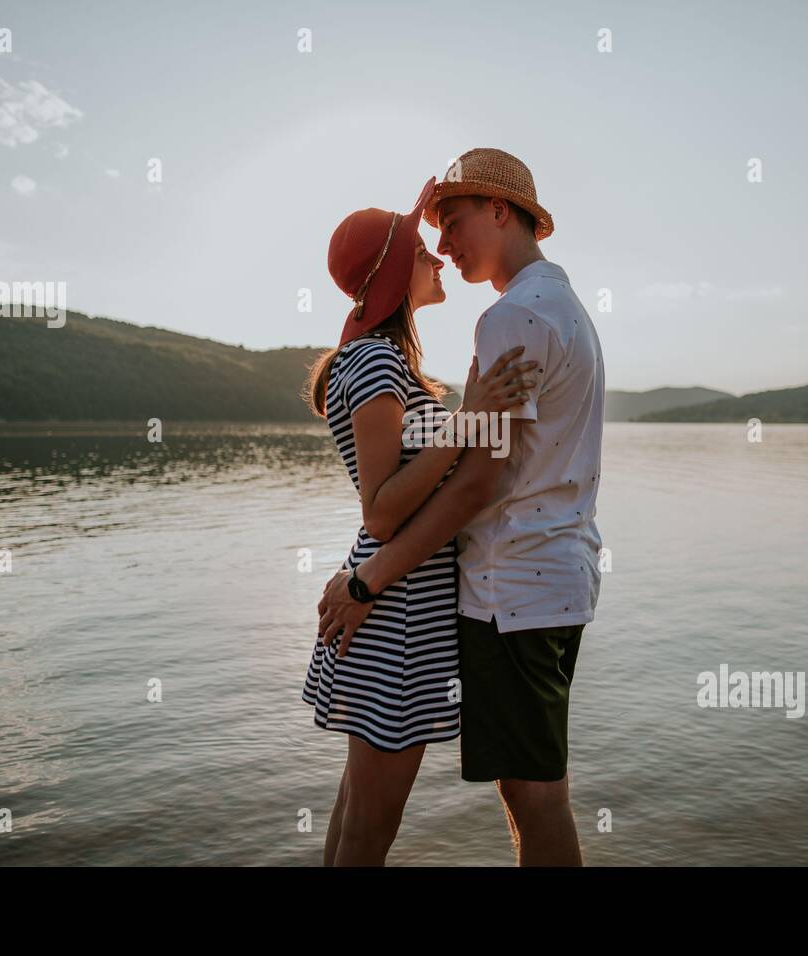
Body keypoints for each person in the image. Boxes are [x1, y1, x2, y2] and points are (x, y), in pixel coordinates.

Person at [318, 149, 606, 866]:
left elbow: (480, 483)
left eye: (452, 222)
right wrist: (372, 578)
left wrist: (367, 579)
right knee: (517, 797)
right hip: (536, 583)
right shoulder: (559, 309)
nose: (442, 247)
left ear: (500, 210)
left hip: (513, 590)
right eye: (429, 238)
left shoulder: (513, 318)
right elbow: (451, 478)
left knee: (531, 798)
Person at [300, 175, 539, 866]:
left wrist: (466, 403)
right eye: (419, 248)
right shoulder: (375, 363)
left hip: (398, 605)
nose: (437, 254)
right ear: (392, 272)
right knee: (370, 828)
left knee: (356, 817)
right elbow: (381, 510)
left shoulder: (388, 362)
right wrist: (468, 418)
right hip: (394, 614)